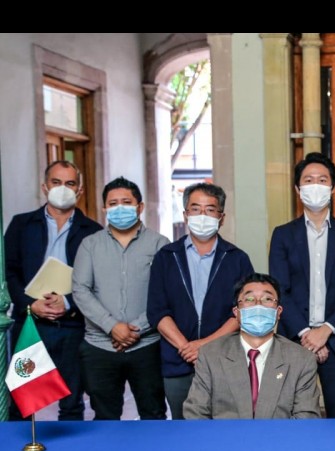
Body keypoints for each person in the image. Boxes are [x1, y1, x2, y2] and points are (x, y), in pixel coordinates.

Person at [268, 152, 335, 418]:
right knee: (292, 416)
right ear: (297, 188)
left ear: (333, 187)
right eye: (308, 180)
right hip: (294, 341)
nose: (315, 186)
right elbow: (279, 290)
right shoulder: (283, 235)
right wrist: (306, 334)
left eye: (322, 180)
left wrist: (325, 331)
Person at [4, 160, 103, 421]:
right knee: (20, 400)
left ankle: (71, 448)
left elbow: (99, 281)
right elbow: (8, 271)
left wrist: (68, 302)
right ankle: (20, 447)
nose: (63, 188)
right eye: (56, 182)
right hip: (29, 324)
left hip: (73, 326)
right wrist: (29, 304)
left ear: (79, 190)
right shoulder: (21, 225)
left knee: (72, 402)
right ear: (45, 187)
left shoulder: (93, 231)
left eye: (70, 183)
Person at [147, 182, 254, 420]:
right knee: (182, 425)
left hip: (224, 360)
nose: (202, 216)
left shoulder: (237, 259)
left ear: (221, 218)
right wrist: (186, 347)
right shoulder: (167, 257)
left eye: (210, 210)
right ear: (186, 215)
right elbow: (157, 310)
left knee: (226, 425)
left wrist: (204, 346)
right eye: (195, 209)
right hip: (178, 359)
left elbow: (242, 311)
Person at [72, 176, 169, 420]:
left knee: (153, 413)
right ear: (104, 208)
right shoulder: (90, 245)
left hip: (147, 344)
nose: (119, 208)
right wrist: (112, 326)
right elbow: (81, 290)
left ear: (140, 206)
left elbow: (166, 293)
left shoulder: (159, 244)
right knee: (105, 416)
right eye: (113, 204)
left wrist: (135, 329)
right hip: (99, 345)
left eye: (126, 202)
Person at [183, 273, 321, 419]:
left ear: (278, 312)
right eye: (249, 299)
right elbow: (195, 413)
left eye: (267, 299)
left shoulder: (302, 359)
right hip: (224, 434)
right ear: (236, 313)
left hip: (280, 434)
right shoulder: (210, 355)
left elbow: (306, 418)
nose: (258, 305)